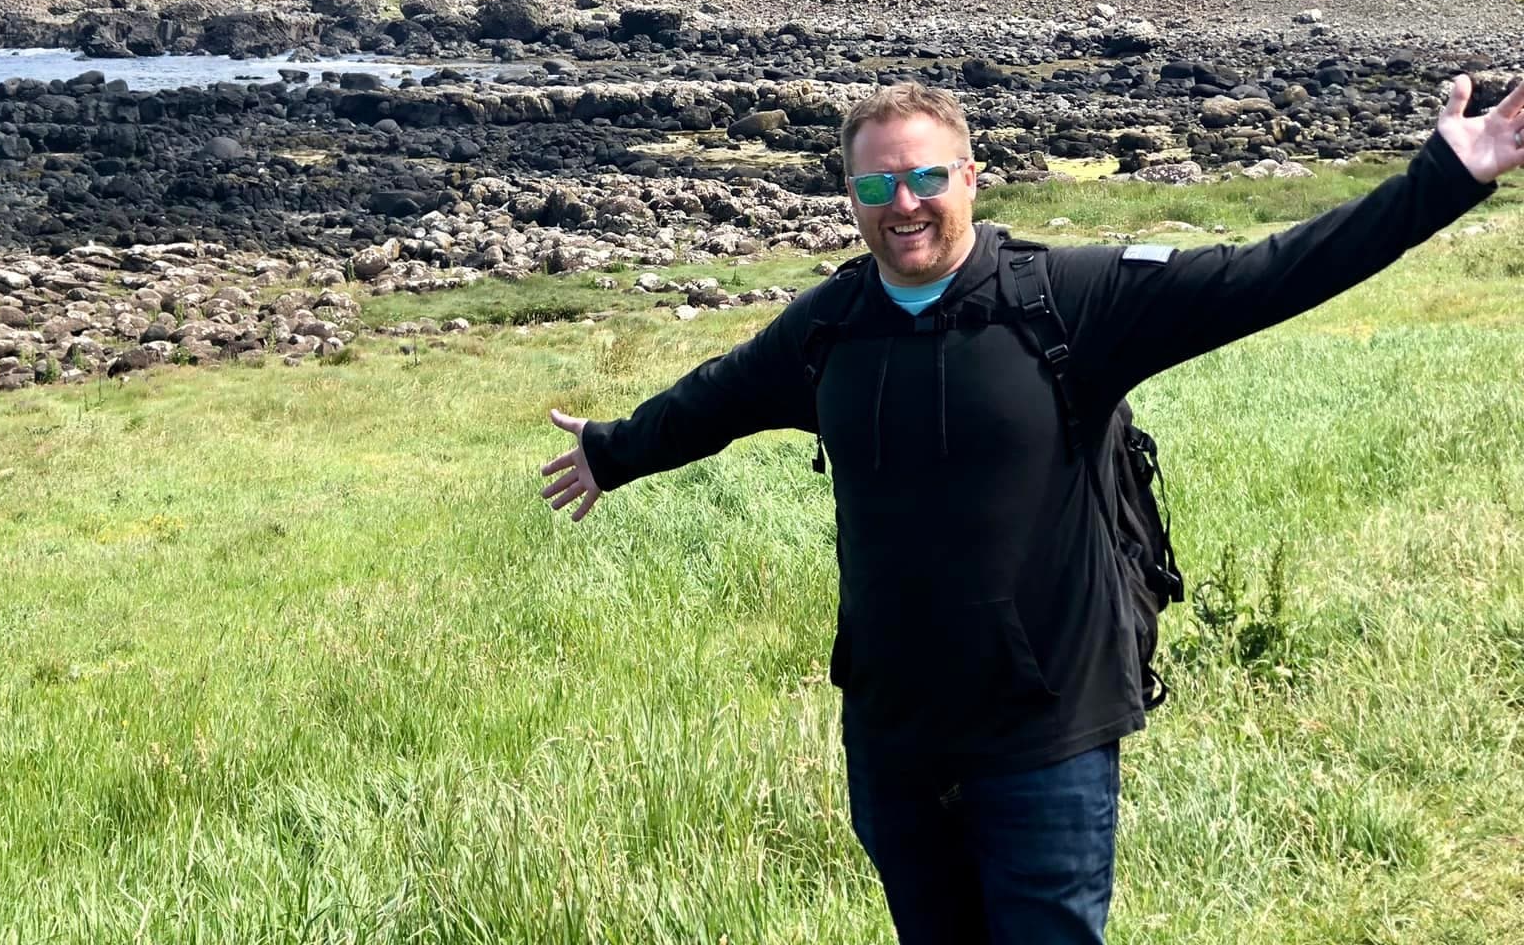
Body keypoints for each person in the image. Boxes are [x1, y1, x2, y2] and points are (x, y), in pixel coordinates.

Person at [539, 77, 1521, 944]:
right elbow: (709, 400)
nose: (903, 204)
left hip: (1042, 739)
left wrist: (1441, 178)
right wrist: (610, 451)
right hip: (892, 740)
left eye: (924, 177)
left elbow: (1265, 274)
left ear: (969, 177)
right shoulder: (827, 330)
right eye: (877, 186)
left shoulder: (1066, 302)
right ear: (851, 197)